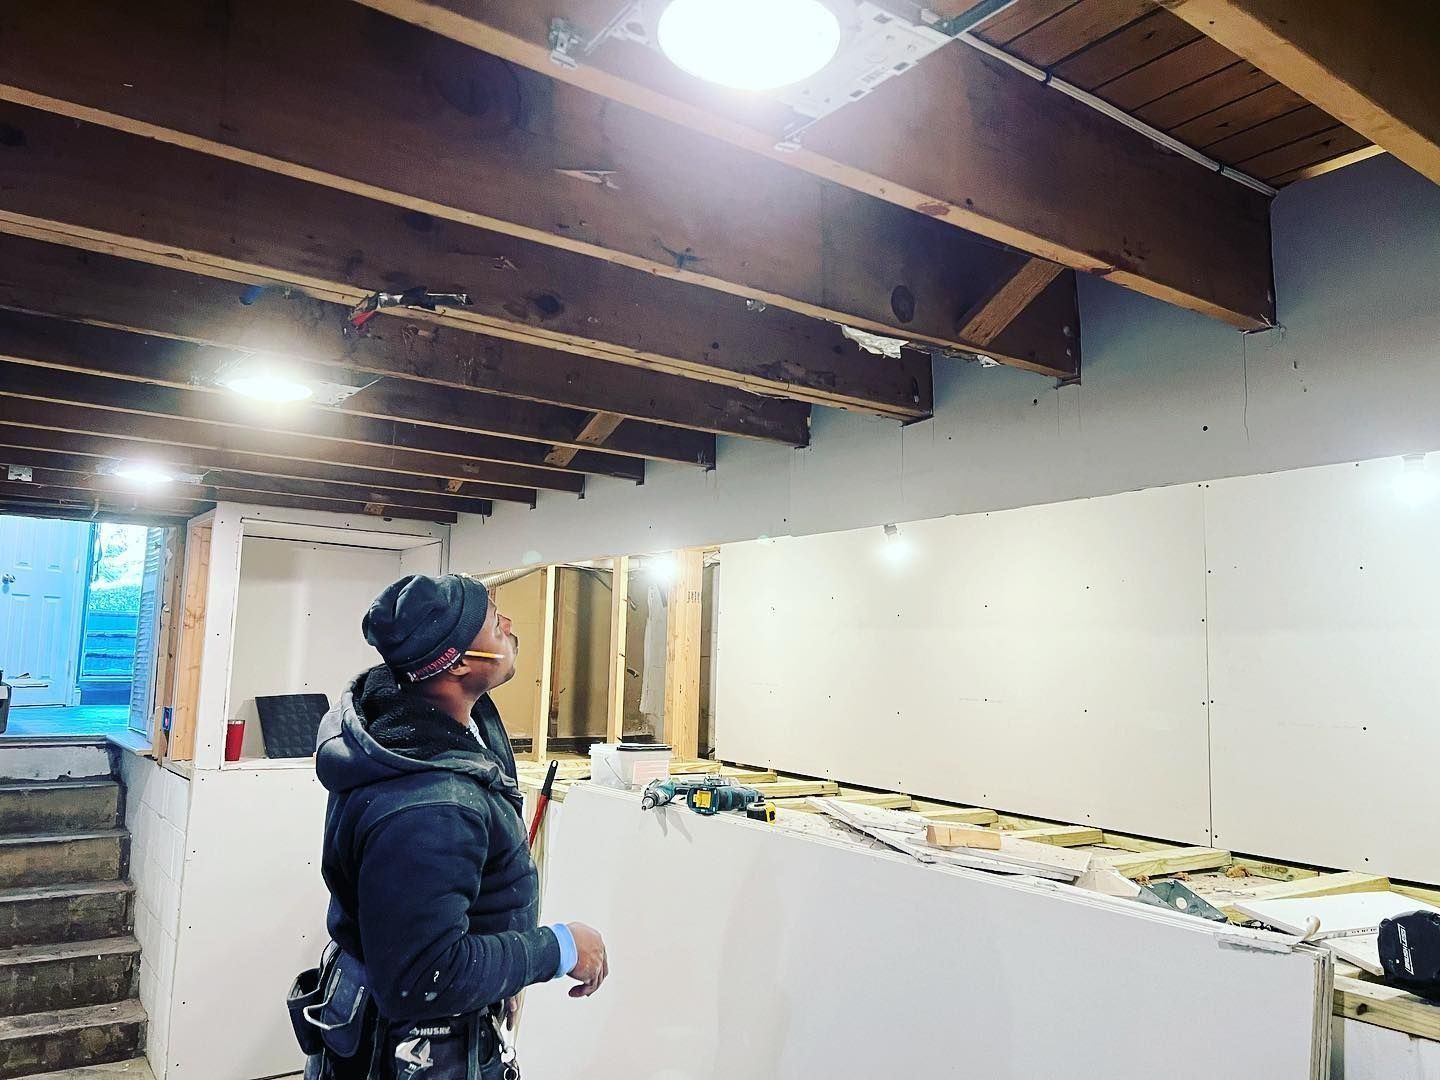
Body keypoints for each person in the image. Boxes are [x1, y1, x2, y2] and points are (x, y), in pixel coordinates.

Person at [296, 573, 608, 1079]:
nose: (508, 626)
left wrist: (498, 974)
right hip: (413, 1054)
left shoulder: (429, 722)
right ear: (458, 663)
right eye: (491, 621)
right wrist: (560, 947)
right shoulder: (430, 806)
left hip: (416, 1032)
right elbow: (423, 977)